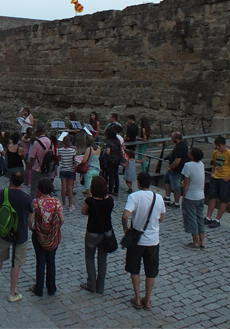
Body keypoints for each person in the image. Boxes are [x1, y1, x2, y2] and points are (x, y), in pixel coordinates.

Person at [0, 170, 35, 303]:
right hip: (21, 233)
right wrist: (30, 225)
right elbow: (31, 215)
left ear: (11, 181)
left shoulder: (4, 193)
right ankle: (12, 292)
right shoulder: (27, 198)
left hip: (6, 231)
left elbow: (0, 208)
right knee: (16, 262)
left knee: (0, 256)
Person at [122, 171, 166, 311]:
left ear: (138, 183)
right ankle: (147, 300)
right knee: (151, 271)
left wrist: (126, 229)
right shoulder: (158, 198)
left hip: (137, 241)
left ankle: (137, 298)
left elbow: (125, 216)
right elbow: (161, 218)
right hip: (153, 241)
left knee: (134, 269)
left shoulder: (134, 197)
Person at [30, 176, 64, 297]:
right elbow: (62, 219)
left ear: (39, 189)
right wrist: (56, 227)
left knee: (40, 260)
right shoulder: (56, 202)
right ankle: (51, 287)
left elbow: (31, 219)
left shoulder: (36, 202)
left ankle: (39, 287)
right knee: (51, 261)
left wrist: (32, 227)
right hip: (52, 234)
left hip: (39, 233)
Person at [80, 176, 113, 294]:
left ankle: (91, 284)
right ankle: (100, 286)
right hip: (105, 234)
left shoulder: (90, 201)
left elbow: (83, 212)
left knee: (89, 258)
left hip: (92, 233)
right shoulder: (110, 200)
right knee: (102, 260)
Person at [204, 136, 230, 229]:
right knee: (212, 197)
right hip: (215, 178)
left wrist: (228, 178)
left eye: (219, 146)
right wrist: (213, 173)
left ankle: (217, 219)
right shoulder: (215, 153)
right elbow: (214, 163)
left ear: (224, 145)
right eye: (216, 146)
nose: (217, 148)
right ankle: (208, 217)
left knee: (223, 199)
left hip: (225, 180)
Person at [181, 147, 206, 249]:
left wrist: (184, 195)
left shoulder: (188, 165)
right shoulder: (201, 164)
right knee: (200, 218)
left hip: (191, 195)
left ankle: (195, 242)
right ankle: (202, 241)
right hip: (201, 195)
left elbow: (187, 182)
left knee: (191, 218)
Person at [164, 132, 189, 208]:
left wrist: (171, 168)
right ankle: (167, 198)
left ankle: (176, 203)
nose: (171, 139)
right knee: (166, 179)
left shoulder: (180, 147)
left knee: (176, 186)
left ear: (177, 138)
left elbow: (177, 160)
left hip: (176, 170)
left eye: (172, 137)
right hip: (173, 169)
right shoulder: (180, 145)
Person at [28, 125, 53, 197]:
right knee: (47, 188)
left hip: (37, 168)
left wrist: (31, 167)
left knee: (34, 188)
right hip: (47, 168)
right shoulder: (50, 142)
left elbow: (32, 157)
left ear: (37, 131)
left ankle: (33, 204)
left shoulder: (37, 143)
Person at [57, 134, 77, 211]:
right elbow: (74, 161)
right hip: (70, 170)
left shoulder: (60, 150)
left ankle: (64, 204)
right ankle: (70, 205)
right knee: (70, 188)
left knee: (63, 187)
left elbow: (59, 159)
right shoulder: (73, 150)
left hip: (63, 169)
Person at [104, 127, 122, 196]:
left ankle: (110, 190)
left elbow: (108, 152)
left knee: (111, 175)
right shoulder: (117, 140)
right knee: (116, 175)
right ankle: (116, 190)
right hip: (117, 159)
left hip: (111, 159)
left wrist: (105, 152)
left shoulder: (108, 142)